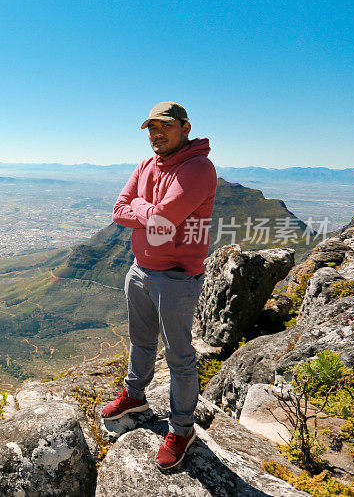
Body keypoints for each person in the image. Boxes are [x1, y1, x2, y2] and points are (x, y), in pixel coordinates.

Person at [99, 101, 217, 469]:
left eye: (164, 126)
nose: (156, 134)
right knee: (140, 340)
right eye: (151, 128)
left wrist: (143, 208)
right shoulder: (147, 165)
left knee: (180, 357)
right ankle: (135, 396)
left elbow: (164, 219)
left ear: (185, 127)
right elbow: (118, 210)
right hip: (140, 270)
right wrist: (147, 212)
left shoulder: (199, 168)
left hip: (177, 277)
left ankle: (181, 428)